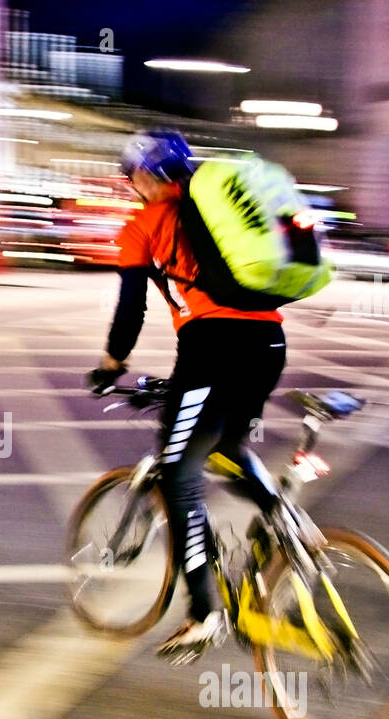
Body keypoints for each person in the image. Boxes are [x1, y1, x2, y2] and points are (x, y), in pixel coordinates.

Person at [89, 130, 288, 662]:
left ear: (144, 177)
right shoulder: (225, 212)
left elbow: (132, 309)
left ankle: (204, 613)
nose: (131, 186)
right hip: (269, 343)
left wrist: (112, 364)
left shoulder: (143, 226)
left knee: (178, 474)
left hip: (211, 351)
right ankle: (289, 526)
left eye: (131, 176)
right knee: (228, 446)